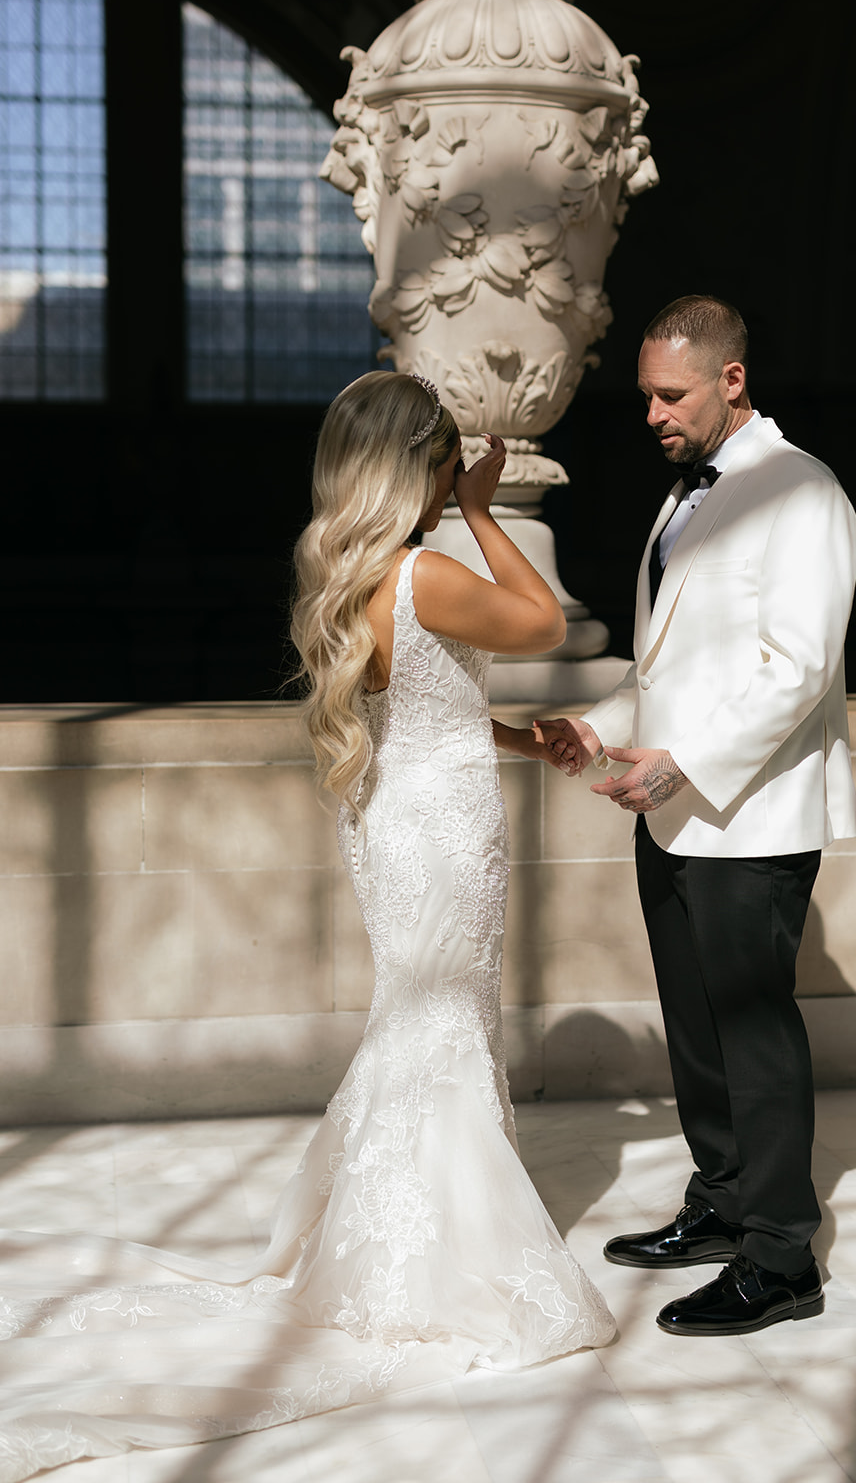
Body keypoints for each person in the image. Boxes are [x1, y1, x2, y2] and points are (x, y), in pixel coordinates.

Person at [0, 371, 614, 1480]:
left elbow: (427, 706)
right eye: (440, 464)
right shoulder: (430, 565)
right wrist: (484, 508)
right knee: (436, 1025)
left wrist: (528, 742)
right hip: (439, 828)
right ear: (417, 467)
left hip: (395, 815)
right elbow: (537, 619)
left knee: (425, 1017)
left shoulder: (357, 570)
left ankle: (393, 1232)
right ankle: (431, 1264)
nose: (447, 481)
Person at [539, 295, 856, 1337]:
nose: (650, 414)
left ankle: (779, 1258)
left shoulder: (802, 491)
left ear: (730, 379)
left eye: (669, 394)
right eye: (643, 395)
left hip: (750, 816)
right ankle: (721, 1203)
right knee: (696, 1030)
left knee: (753, 1033)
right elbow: (666, 668)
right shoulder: (682, 500)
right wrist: (595, 725)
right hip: (672, 811)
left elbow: (797, 668)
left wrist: (682, 762)